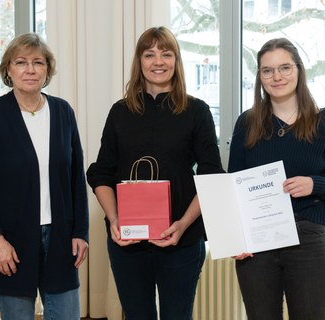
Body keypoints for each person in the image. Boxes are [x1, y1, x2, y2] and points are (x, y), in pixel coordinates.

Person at [86, 26, 224, 320]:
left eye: (166, 53)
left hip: (181, 241)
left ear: (177, 60)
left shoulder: (197, 112)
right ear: (139, 61)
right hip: (128, 243)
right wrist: (114, 219)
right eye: (149, 54)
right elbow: (101, 173)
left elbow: (212, 176)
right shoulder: (120, 112)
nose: (158, 61)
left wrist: (183, 224)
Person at [0, 32, 89, 320]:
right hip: (11, 240)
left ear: (47, 70)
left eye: (38, 62)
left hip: (59, 238)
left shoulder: (63, 112)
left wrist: (80, 232)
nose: (30, 70)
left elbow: (75, 178)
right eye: (20, 62)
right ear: (8, 69)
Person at [228, 37, 325, 320]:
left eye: (285, 68)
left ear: (298, 70)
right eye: (267, 70)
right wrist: (235, 238)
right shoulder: (247, 124)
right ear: (260, 77)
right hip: (257, 246)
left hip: (308, 242)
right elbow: (232, 187)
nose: (277, 76)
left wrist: (315, 184)